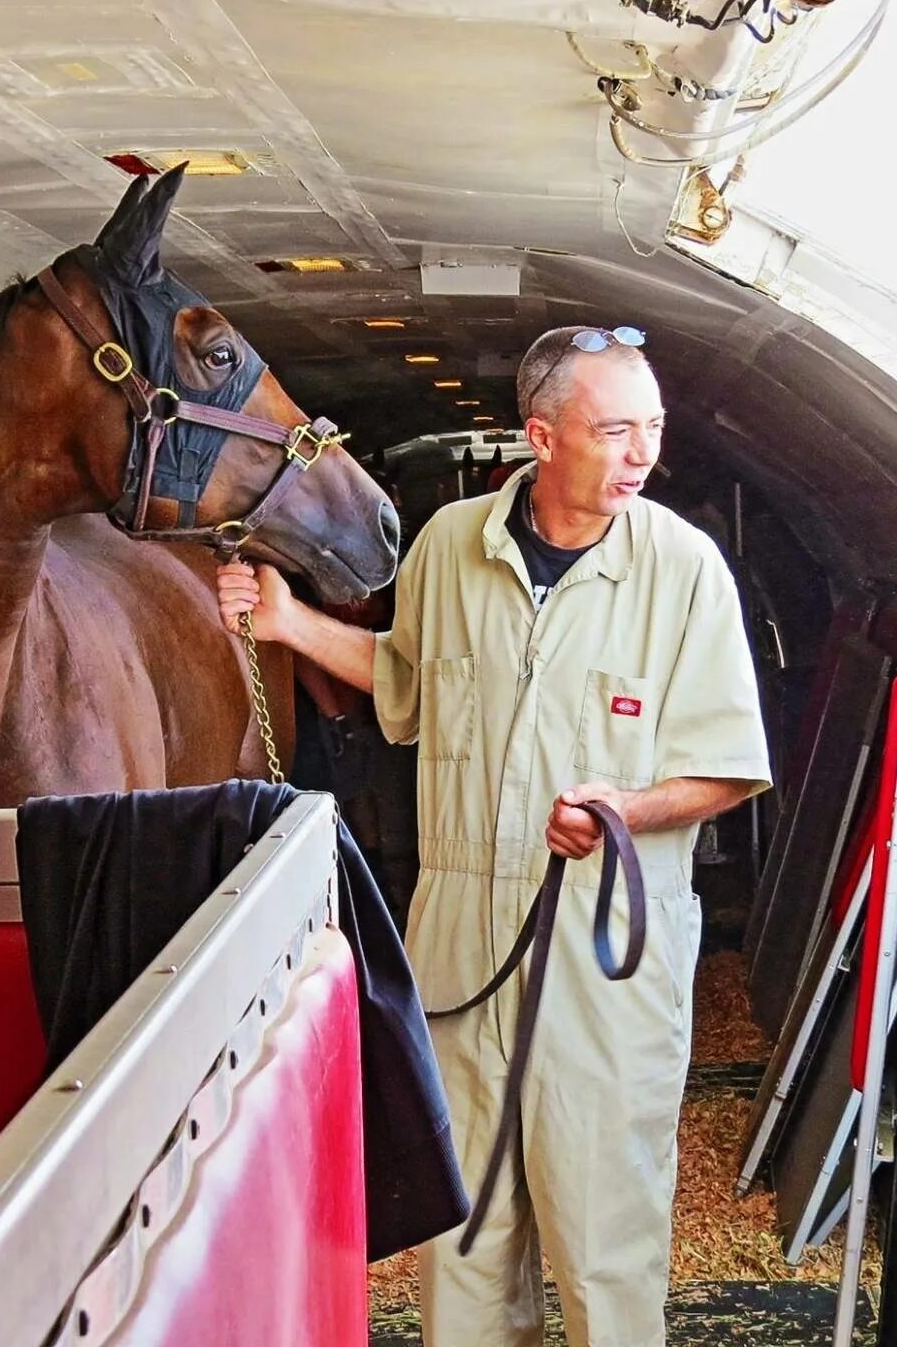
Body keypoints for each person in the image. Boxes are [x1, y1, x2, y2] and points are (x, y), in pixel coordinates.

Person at [217, 326, 771, 1347]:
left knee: (604, 1246)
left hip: (603, 955)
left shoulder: (682, 568)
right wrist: (289, 626)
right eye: (612, 431)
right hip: (460, 941)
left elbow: (728, 767)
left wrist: (621, 807)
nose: (639, 454)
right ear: (540, 437)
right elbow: (404, 684)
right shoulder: (448, 547)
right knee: (463, 1242)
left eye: (650, 428)